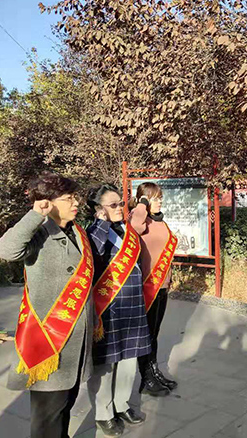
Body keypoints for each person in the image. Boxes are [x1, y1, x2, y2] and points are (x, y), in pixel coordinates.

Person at [0, 172, 94, 438]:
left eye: (75, 197)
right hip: (49, 340)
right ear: (48, 202)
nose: (76, 203)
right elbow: (5, 251)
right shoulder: (38, 232)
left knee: (65, 406)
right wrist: (35, 214)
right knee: (47, 417)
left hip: (76, 338)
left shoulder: (77, 231)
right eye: (68, 198)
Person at [86, 184, 154, 436]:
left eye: (121, 204)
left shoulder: (126, 229)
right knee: (106, 364)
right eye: (112, 205)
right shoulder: (92, 231)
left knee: (128, 359)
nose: (119, 208)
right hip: (108, 307)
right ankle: (103, 413)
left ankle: (122, 404)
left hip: (132, 304)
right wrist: (102, 223)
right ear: (98, 208)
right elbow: (94, 253)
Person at [130, 182, 179, 394]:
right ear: (144, 200)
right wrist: (142, 203)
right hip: (147, 287)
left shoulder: (160, 221)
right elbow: (134, 226)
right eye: (154, 198)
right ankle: (146, 379)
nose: (159, 202)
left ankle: (154, 372)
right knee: (146, 334)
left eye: (160, 198)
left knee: (154, 333)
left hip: (162, 286)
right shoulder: (139, 220)